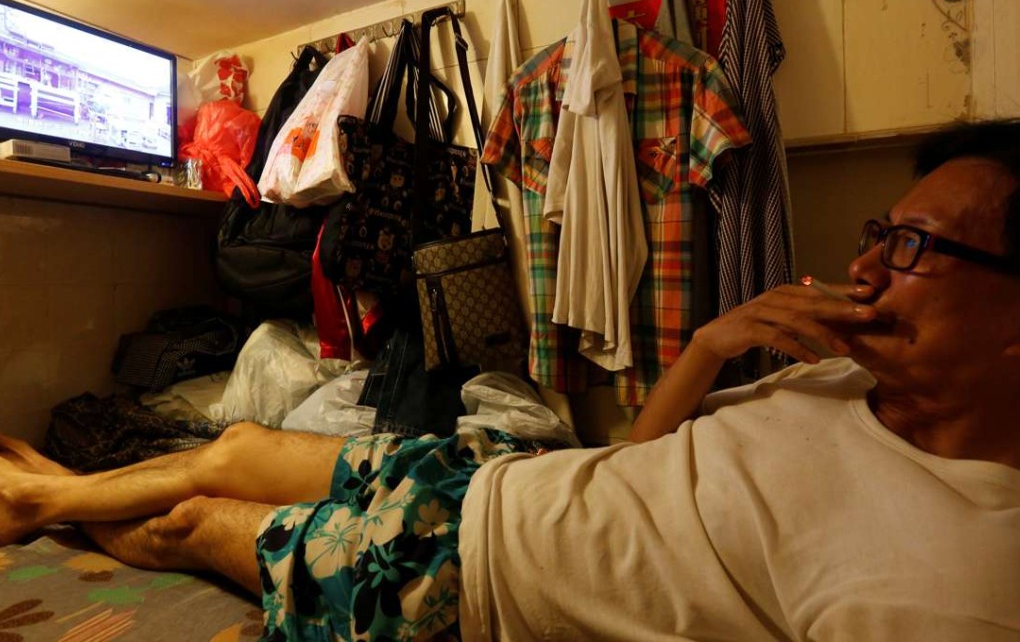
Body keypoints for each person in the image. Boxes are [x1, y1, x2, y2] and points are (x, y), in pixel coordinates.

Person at [2, 119, 1019, 641]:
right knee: (226, 447)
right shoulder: (838, 378)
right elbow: (638, 463)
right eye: (878, 232)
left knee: (201, 521)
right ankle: (45, 490)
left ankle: (37, 495)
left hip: (471, 572)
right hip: (509, 469)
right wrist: (711, 344)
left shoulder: (955, 576)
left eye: (918, 245)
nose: (871, 265)